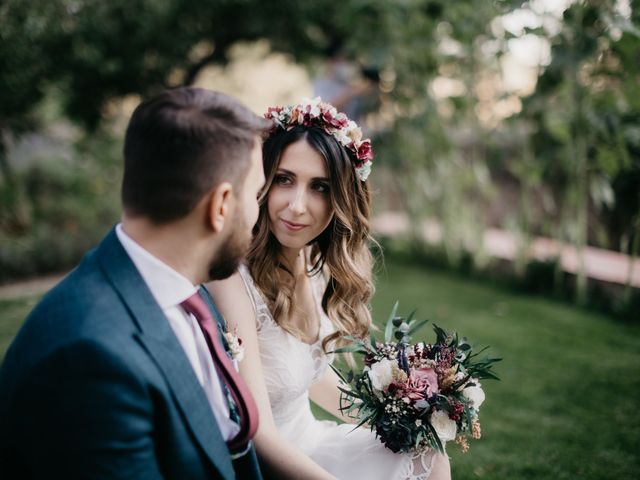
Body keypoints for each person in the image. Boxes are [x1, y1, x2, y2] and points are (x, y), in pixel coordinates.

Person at [0, 88, 270, 479]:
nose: (258, 212)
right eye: (257, 194)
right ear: (221, 205)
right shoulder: (88, 359)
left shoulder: (191, 293)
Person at [207, 98, 451, 480]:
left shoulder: (309, 263)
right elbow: (258, 431)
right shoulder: (232, 280)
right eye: (285, 179)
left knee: (427, 453)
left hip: (314, 441)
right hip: (273, 463)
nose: (297, 206)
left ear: (340, 198)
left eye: (319, 187)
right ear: (262, 181)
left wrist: (395, 417)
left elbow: (311, 374)